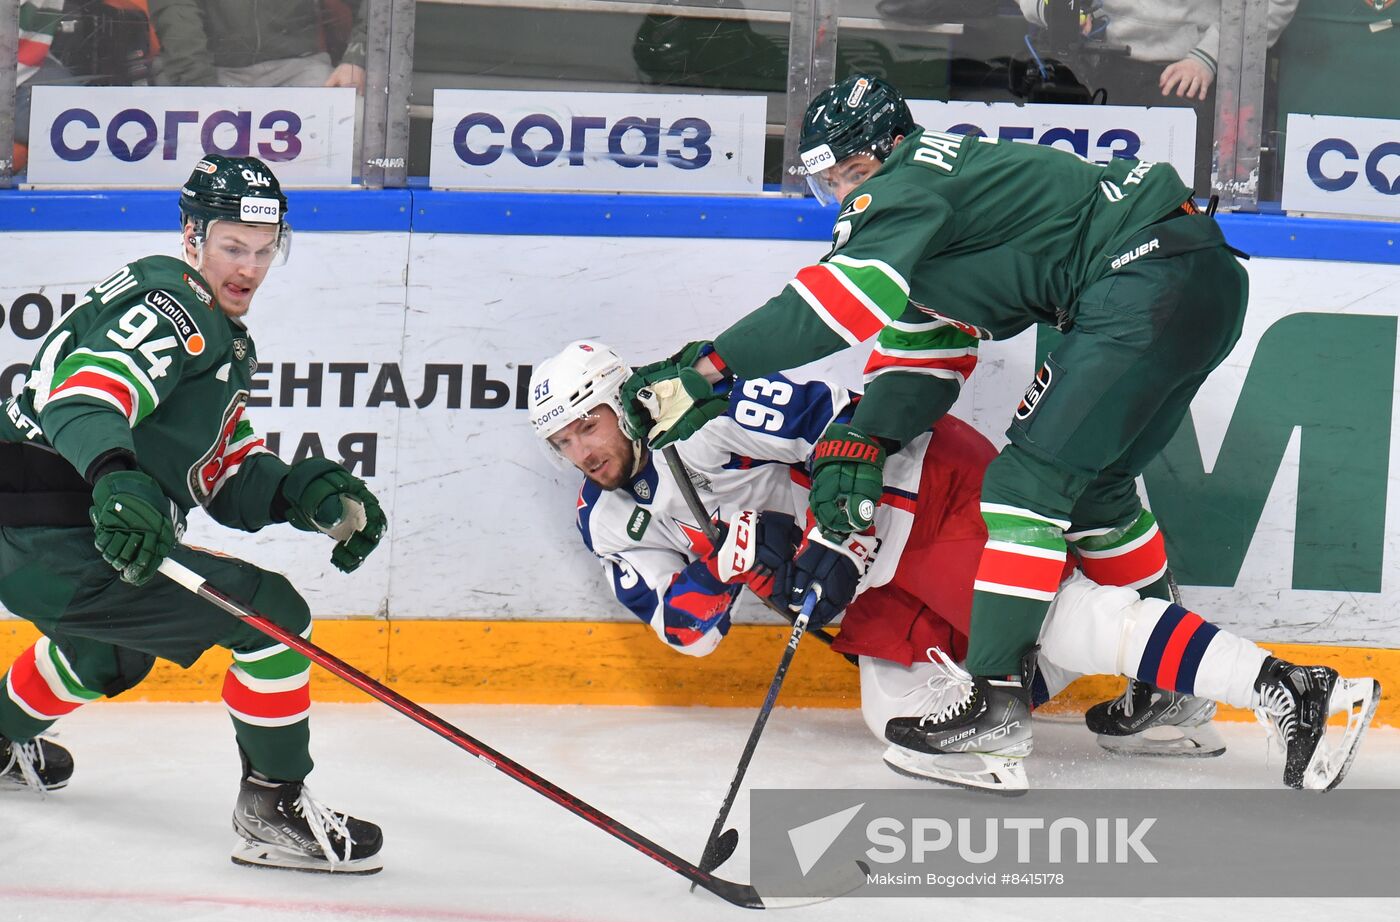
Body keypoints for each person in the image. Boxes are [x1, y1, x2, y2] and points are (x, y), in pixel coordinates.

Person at [611, 72, 1351, 789]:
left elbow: (834, 305)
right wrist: (865, 435)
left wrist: (708, 366)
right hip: (1201, 274)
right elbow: (928, 352)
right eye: (827, 182)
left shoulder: (901, 187)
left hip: (1140, 282)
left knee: (1023, 488)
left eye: (848, 172)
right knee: (1097, 495)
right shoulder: (936, 207)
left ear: (888, 145)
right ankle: (1169, 692)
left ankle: (995, 703)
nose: (841, 193)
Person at [531, 340, 1380, 792]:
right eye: (565, 441)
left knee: (1060, 616)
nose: (583, 451)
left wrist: (819, 537)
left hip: (914, 494)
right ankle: (1111, 688)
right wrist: (730, 568)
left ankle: (1286, 685)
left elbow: (845, 428)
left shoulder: (699, 414)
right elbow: (689, 631)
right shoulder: (603, 515)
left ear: (620, 397)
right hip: (866, 583)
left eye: (589, 425)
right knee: (898, 722)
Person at [0, 154, 387, 874]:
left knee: (107, 648)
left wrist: (304, 494)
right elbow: (83, 397)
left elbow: (228, 474)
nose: (249, 267)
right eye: (232, 247)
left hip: (34, 532)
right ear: (192, 237)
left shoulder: (220, 338)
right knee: (271, 614)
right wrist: (115, 477)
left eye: (265, 251)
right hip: (51, 529)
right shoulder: (174, 305)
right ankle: (273, 806)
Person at [147, 0, 367, 91]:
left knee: (356, 133)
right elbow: (175, 13)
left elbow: (383, 7)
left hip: (300, 69)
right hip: (213, 71)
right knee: (184, 151)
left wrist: (356, 58)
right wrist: (198, 87)